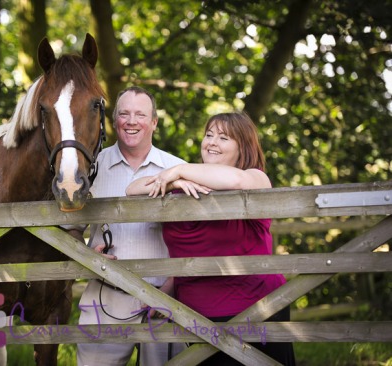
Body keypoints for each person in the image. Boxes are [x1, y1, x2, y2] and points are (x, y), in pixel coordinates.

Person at [126, 112, 296, 365]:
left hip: (257, 310)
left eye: (224, 137)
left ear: (243, 148)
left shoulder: (255, 177)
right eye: (209, 135)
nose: (212, 142)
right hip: (197, 318)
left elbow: (236, 179)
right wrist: (175, 183)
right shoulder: (185, 187)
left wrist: (178, 170)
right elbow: (132, 190)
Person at [76, 86, 186, 365]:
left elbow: (191, 238)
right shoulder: (89, 169)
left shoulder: (177, 168)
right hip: (104, 297)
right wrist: (83, 254)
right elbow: (66, 226)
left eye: (140, 114)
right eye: (124, 114)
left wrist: (171, 289)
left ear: (154, 122)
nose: (132, 121)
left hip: (163, 301)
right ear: (114, 122)